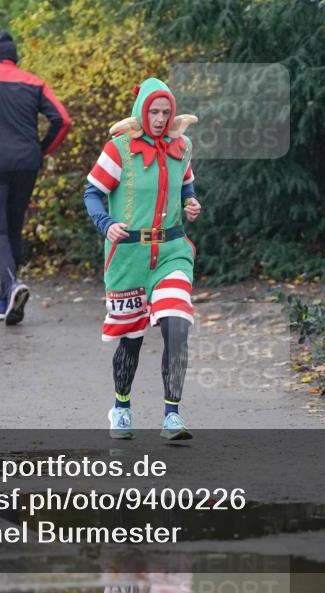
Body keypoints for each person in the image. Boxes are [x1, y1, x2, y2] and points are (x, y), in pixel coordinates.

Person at [83, 77, 202, 440]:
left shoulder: (182, 146)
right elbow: (92, 192)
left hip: (172, 252)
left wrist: (191, 204)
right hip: (129, 256)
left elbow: (186, 186)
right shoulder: (119, 149)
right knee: (131, 339)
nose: (161, 118)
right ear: (142, 111)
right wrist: (106, 223)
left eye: (166, 112)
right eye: (154, 111)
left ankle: (172, 415)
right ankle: (120, 408)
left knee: (177, 326)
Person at [0, 31, 71, 325]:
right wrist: (42, 149)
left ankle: (11, 286)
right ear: (14, 58)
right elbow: (62, 120)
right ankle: (4, 298)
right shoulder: (34, 82)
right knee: (13, 228)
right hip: (25, 163)